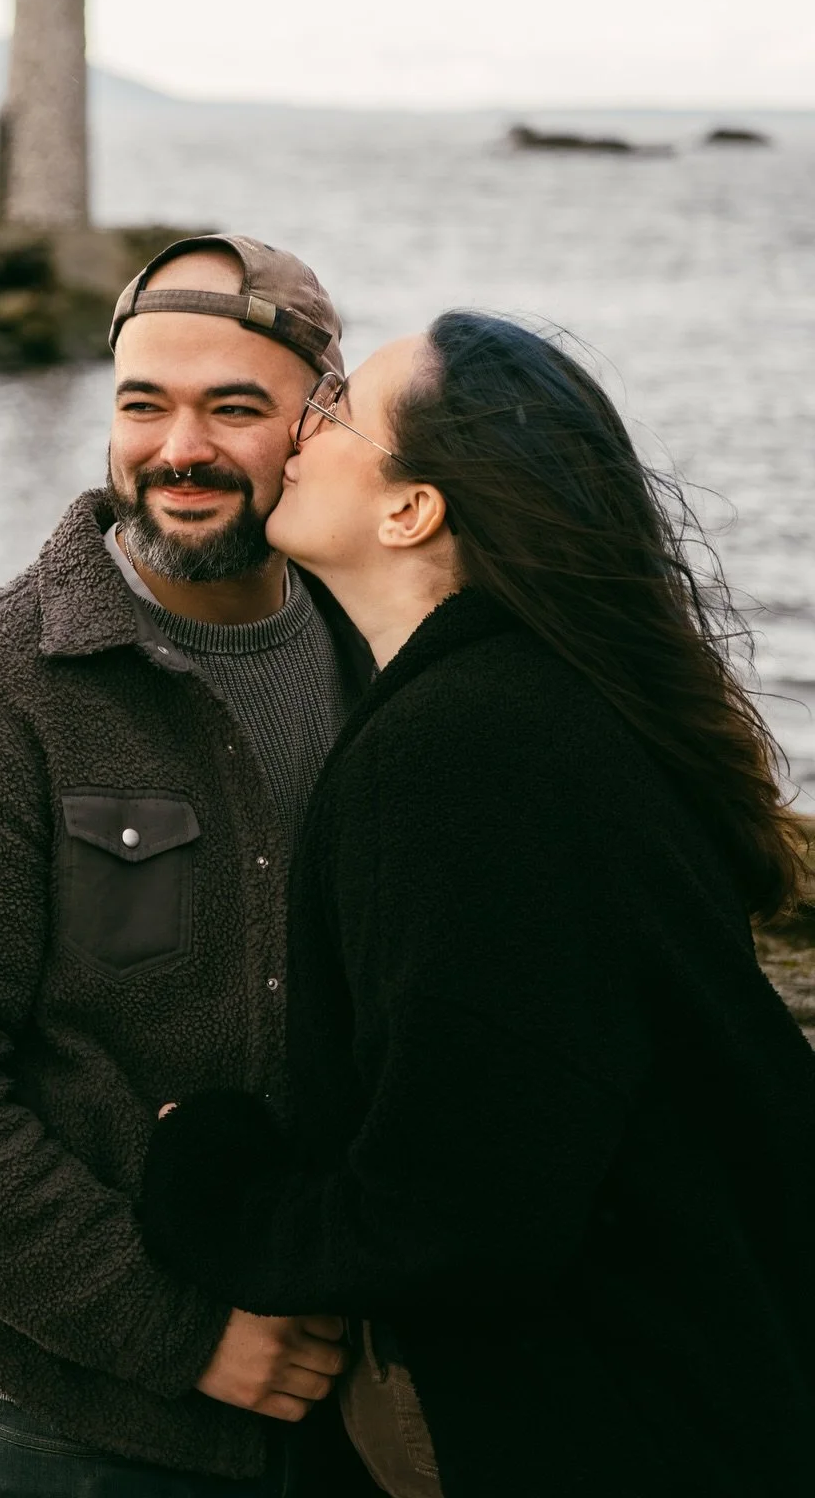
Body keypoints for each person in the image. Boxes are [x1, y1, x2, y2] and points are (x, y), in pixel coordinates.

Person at [142, 313, 815, 1498]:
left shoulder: (470, 751)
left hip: (594, 1430)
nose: (301, 427)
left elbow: (460, 1211)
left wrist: (209, 1178)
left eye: (340, 411)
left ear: (414, 509)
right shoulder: (537, 707)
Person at [0, 236, 384, 1495]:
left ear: (320, 421)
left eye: (236, 407)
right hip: (77, 1436)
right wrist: (179, 1333)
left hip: (355, 1417)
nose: (180, 446)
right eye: (143, 404)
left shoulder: (384, 662)